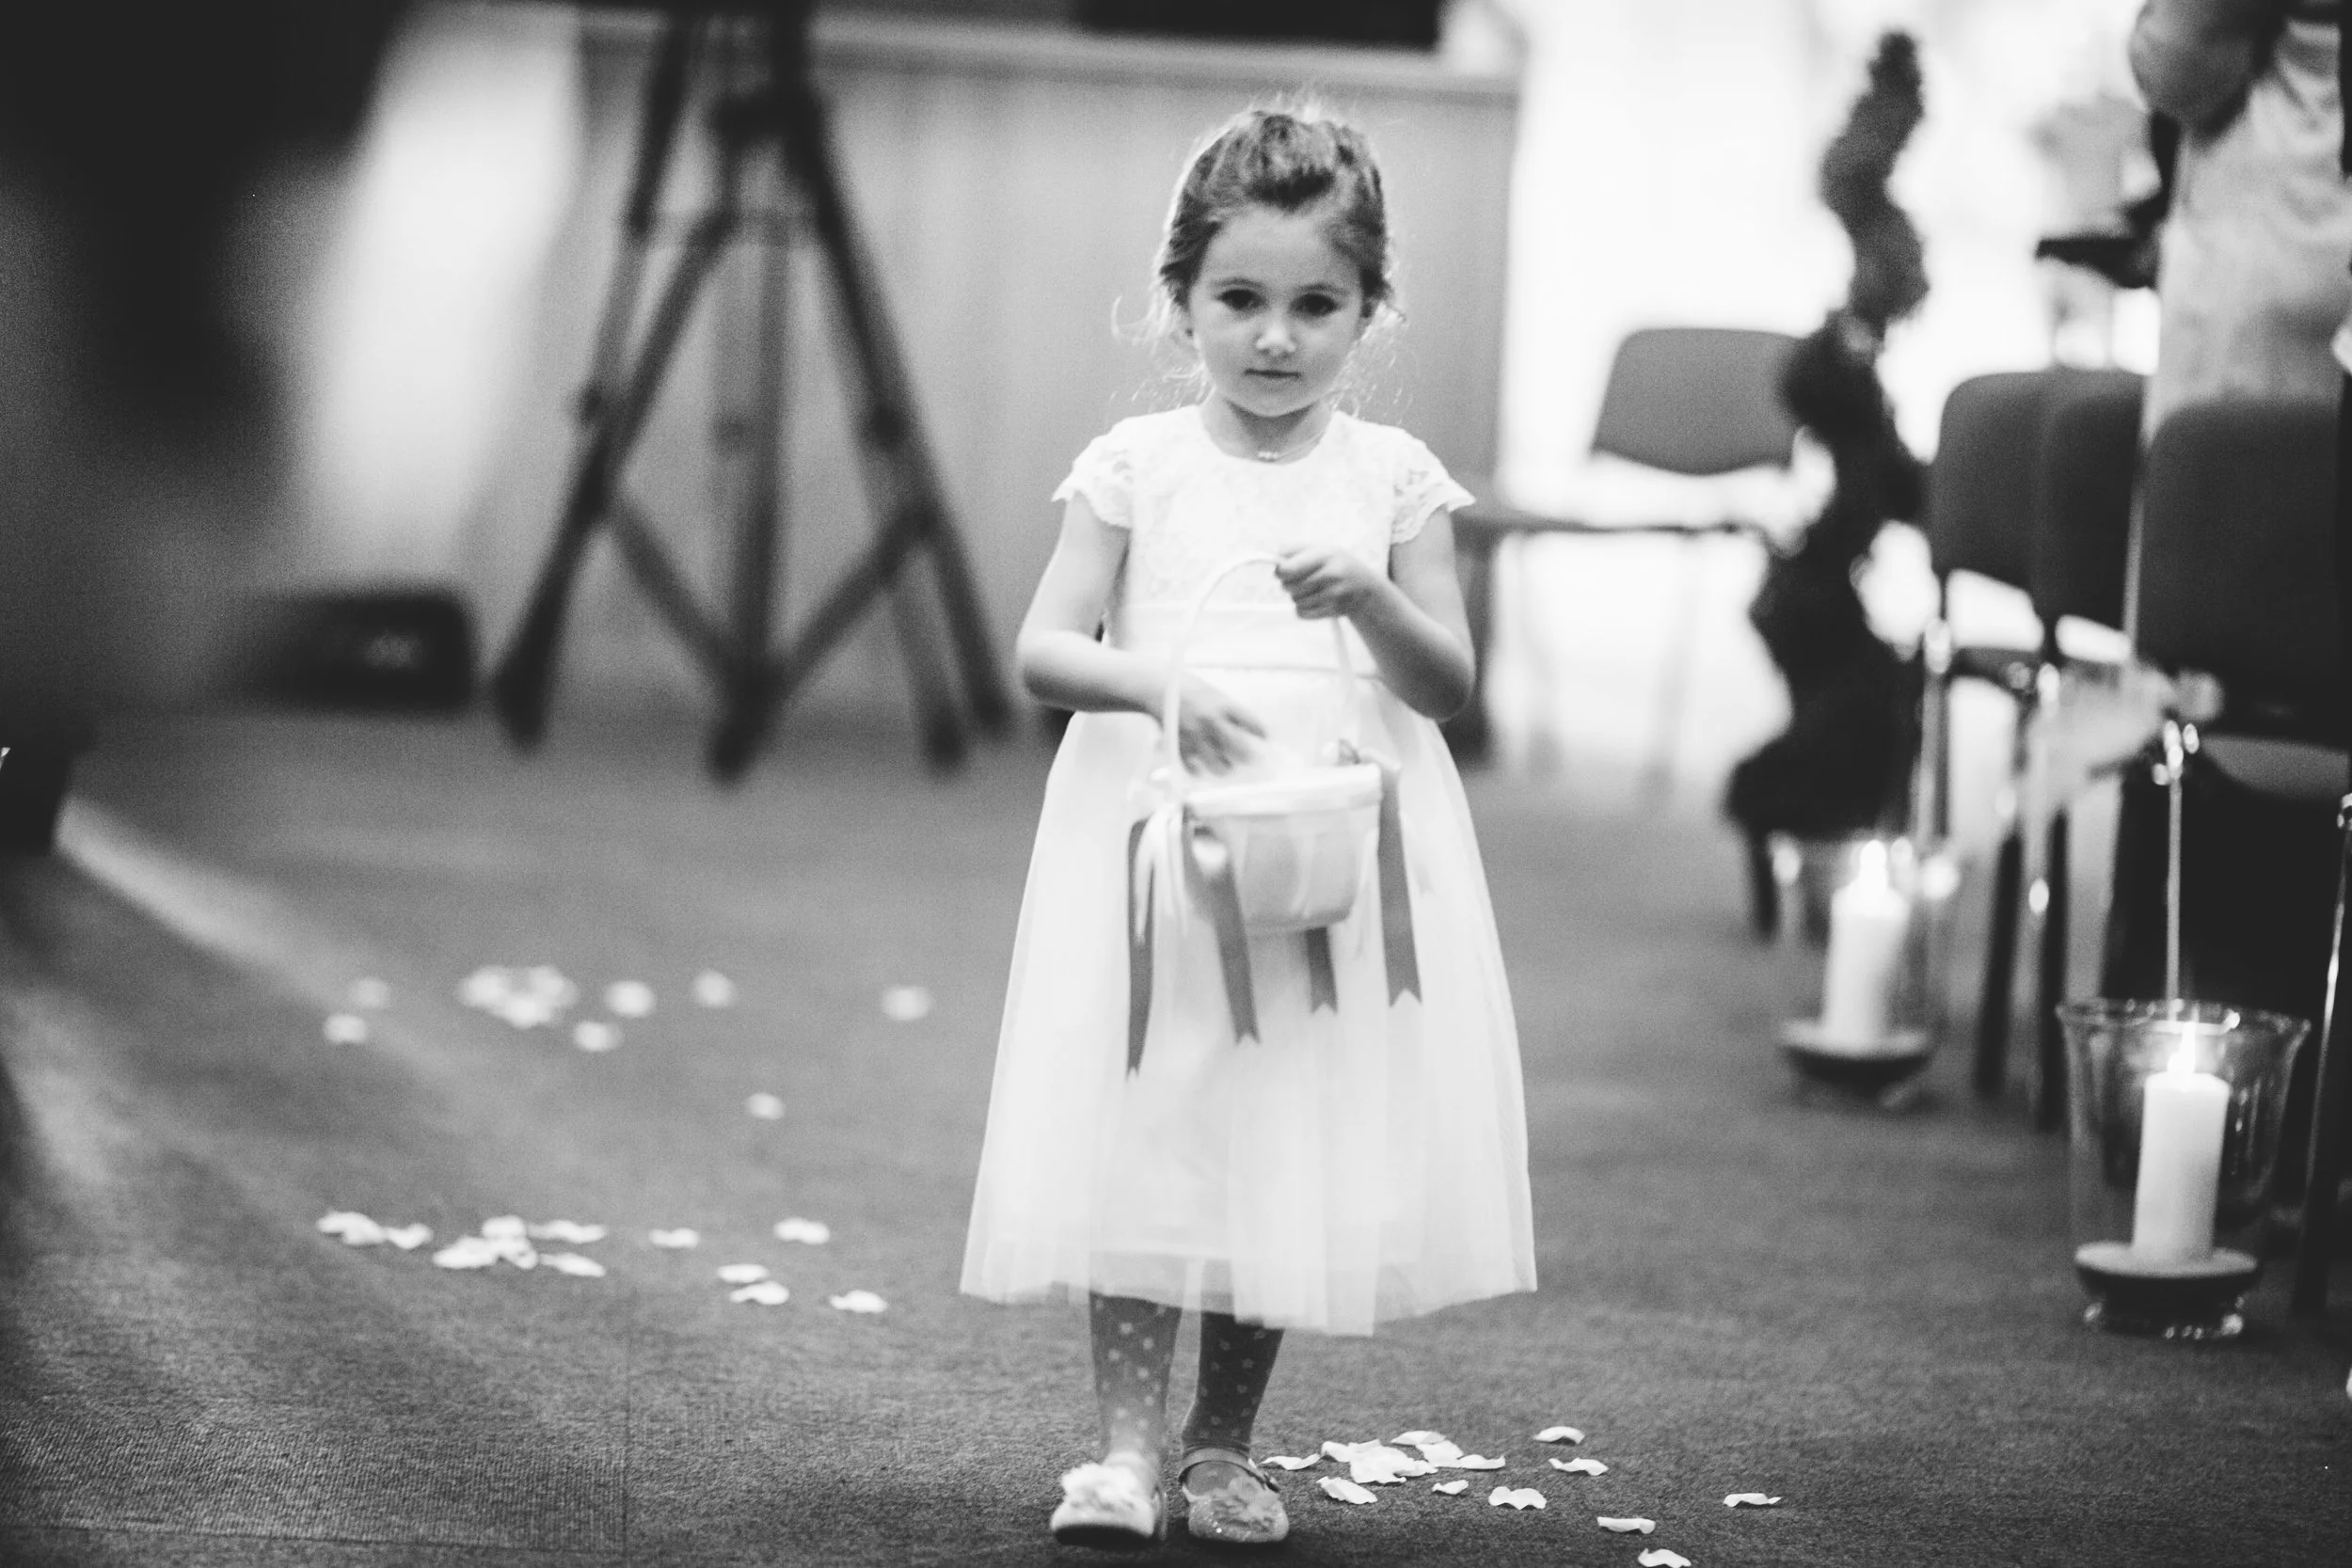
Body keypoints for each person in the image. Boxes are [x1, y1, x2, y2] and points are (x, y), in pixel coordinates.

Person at [960, 106, 1535, 1549]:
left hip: (1328, 856)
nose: (1275, 338)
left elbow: (1449, 684)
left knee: (1288, 1135)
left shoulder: (1394, 480)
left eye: (1316, 305)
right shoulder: (1138, 464)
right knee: (1151, 1128)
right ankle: (1120, 1445)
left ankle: (1224, 1443)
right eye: (1240, 301)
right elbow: (1041, 648)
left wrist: (1374, 597)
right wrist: (1156, 682)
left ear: (1370, 308)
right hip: (1161, 846)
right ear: (1182, 299)